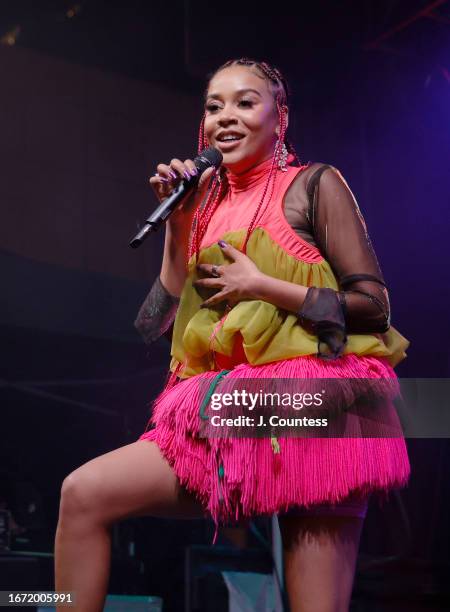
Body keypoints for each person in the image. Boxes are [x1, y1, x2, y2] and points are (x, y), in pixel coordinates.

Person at [54, 58, 411, 612]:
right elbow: (152, 324)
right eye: (214, 105)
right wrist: (177, 225)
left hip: (311, 410)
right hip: (226, 413)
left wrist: (265, 285)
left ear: (279, 117)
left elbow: (373, 307)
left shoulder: (314, 185)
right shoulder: (200, 207)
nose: (226, 117)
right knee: (83, 494)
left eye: (246, 102)